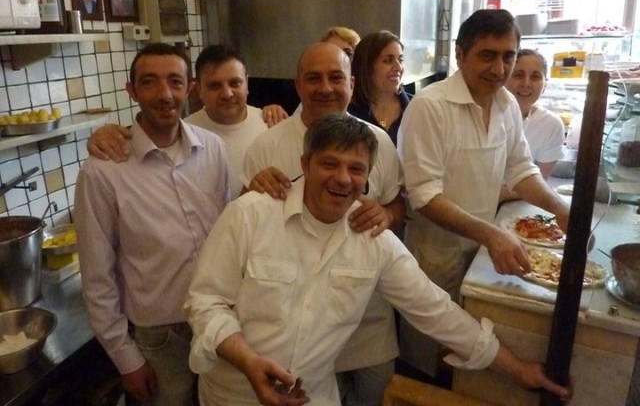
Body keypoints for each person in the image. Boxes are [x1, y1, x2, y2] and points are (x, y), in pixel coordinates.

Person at [185, 113, 573, 406]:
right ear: (305, 165)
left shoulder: (372, 239)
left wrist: (520, 370)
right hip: (232, 394)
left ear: (368, 176)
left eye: (355, 169)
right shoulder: (251, 214)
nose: (342, 178)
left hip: (311, 396)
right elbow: (205, 302)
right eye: (329, 164)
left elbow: (437, 311)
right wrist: (249, 362)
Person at [397, 9, 571, 376]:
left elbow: (521, 169)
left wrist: (560, 208)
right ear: (460, 55)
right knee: (430, 354)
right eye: (487, 55)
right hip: (435, 255)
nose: (499, 68)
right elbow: (424, 195)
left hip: (479, 253)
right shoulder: (431, 107)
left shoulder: (506, 105)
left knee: (473, 349)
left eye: (508, 56)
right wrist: (491, 234)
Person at [241, 42, 405, 405]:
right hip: (295, 326)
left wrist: (389, 214)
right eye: (314, 78)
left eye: (336, 78)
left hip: (367, 316)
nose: (326, 88)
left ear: (351, 83)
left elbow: (398, 202)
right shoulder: (266, 145)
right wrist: (251, 189)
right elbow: (241, 219)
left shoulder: (377, 140)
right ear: (298, 85)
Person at [75, 43, 230, 405]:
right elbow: (97, 276)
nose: (165, 94)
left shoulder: (213, 149)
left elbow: (229, 233)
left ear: (190, 88)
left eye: (175, 82)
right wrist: (125, 358)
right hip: (160, 339)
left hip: (220, 320)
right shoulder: (103, 171)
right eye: (149, 82)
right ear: (131, 90)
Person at [86, 45, 288, 199]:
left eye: (235, 83)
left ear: (247, 84)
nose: (227, 93)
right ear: (197, 90)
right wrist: (106, 134)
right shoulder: (188, 136)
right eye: (215, 86)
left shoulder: (272, 123)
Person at [500, 49, 565, 202]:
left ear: (545, 85)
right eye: (518, 75)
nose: (526, 83)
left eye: (535, 77)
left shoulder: (551, 125)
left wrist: (490, 196)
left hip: (514, 205)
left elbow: (538, 183)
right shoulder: (485, 114)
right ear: (504, 79)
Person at [349, 30, 411, 146]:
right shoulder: (348, 111)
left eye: (400, 60)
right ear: (366, 66)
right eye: (388, 60)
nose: (398, 67)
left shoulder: (416, 107)